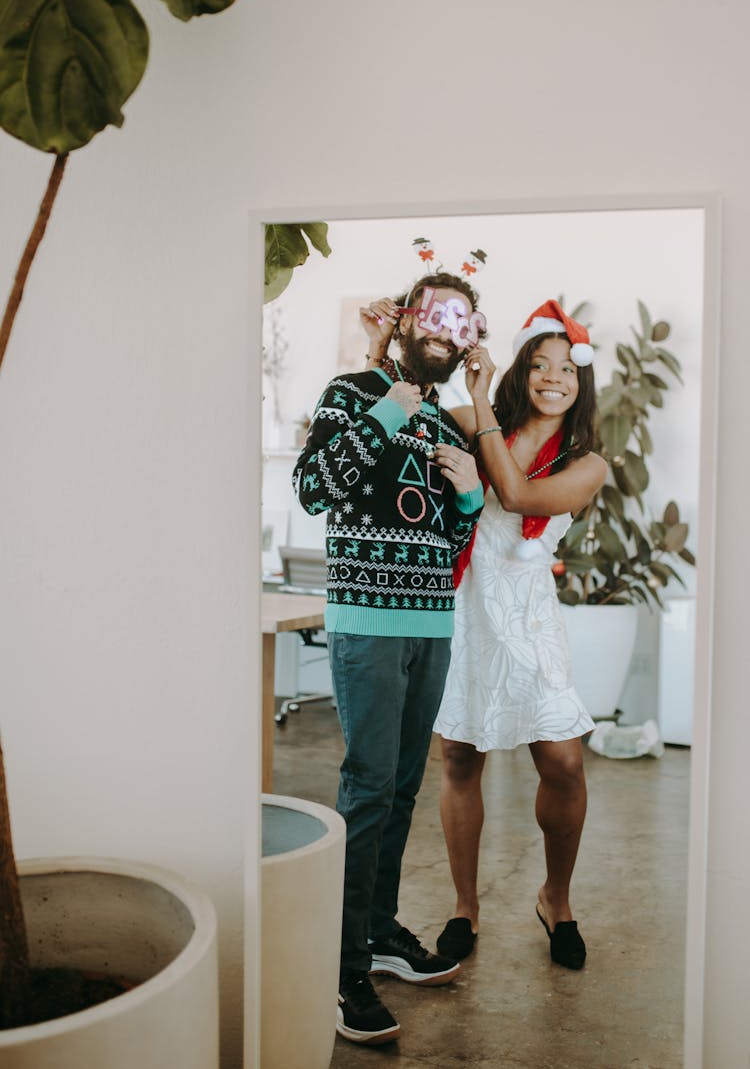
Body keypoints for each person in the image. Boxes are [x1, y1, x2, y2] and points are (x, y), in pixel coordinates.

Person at [293, 271, 485, 1046]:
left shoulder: (447, 420)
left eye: (464, 322)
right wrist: (383, 411)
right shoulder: (351, 391)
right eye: (438, 315)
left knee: (404, 786)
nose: (449, 330)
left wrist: (470, 495)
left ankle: (376, 932)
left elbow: (449, 536)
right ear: (407, 319)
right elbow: (313, 488)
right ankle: (341, 973)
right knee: (368, 786)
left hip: (430, 624)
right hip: (367, 623)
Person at [430, 300, 608, 971]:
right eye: (540, 363)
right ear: (523, 369)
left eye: (567, 367)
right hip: (465, 608)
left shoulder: (589, 463)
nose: (553, 377)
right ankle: (463, 907)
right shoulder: (480, 422)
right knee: (458, 759)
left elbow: (514, 496)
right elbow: (412, 420)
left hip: (530, 618)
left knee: (562, 760)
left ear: (582, 380)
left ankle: (555, 898)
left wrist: (478, 408)